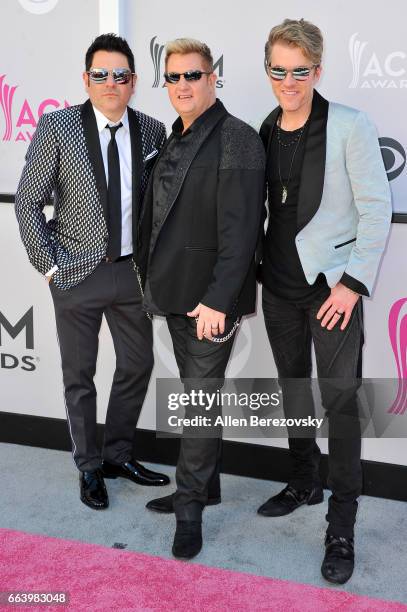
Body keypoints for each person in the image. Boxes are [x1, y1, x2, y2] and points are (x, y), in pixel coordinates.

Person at [257, 19, 391, 584]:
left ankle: (342, 523)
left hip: (332, 291)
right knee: (293, 390)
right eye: (279, 70)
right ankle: (303, 479)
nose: (289, 81)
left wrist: (352, 285)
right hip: (279, 288)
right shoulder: (265, 127)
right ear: (269, 70)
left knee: (339, 405)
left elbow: (375, 209)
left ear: (318, 69)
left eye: (301, 70)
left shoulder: (349, 125)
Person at [15, 33, 170, 511]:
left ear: (134, 81)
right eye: (100, 75)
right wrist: (50, 266)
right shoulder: (57, 127)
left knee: (137, 364)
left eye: (120, 75)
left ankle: (117, 455)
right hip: (76, 274)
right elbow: (27, 200)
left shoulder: (153, 131)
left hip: (131, 275)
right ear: (86, 79)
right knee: (79, 376)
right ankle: (88, 467)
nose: (110, 83)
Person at [138, 38, 265, 559]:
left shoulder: (236, 138)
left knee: (198, 405)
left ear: (214, 77)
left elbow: (241, 236)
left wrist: (218, 300)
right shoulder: (175, 135)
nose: (184, 86)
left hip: (210, 303)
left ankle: (190, 512)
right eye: (174, 78)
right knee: (198, 399)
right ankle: (204, 486)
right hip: (173, 294)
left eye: (193, 75)